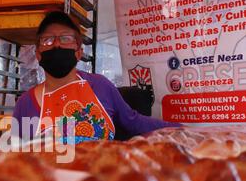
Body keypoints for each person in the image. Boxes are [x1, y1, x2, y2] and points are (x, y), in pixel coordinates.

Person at [12, 11, 180, 143]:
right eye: (47, 40)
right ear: (38, 54)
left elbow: (134, 122)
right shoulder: (25, 104)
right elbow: (17, 156)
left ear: (79, 52)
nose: (56, 44)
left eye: (65, 38)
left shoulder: (101, 86)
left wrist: (181, 129)